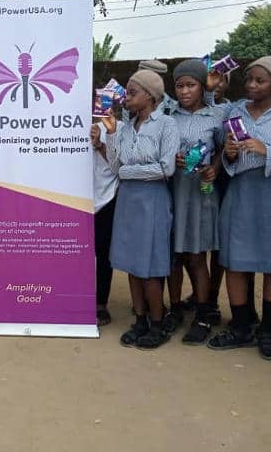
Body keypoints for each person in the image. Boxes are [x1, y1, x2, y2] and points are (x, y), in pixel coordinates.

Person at [207, 56, 271, 361]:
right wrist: (230, 154)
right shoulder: (235, 110)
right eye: (249, 79)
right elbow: (210, 110)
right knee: (235, 261)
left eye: (259, 80)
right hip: (241, 191)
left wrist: (269, 152)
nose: (251, 85)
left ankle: (266, 330)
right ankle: (240, 326)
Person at [101, 70, 179, 350]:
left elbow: (165, 168)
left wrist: (128, 171)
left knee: (150, 267)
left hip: (152, 202)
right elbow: (114, 167)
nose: (126, 96)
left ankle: (158, 324)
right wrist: (111, 134)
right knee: (133, 266)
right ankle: (141, 321)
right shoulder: (124, 127)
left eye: (133, 92)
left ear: (151, 96)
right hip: (128, 202)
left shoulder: (166, 125)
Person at [169, 59, 225, 345]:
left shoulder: (216, 118)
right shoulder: (169, 116)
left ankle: (204, 313)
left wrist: (214, 167)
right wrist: (172, 158)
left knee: (196, 255)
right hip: (175, 191)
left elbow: (225, 151)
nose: (184, 92)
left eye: (191, 85)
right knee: (175, 256)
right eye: (179, 86)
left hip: (202, 192)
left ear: (203, 87)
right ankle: (175, 308)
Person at [90, 112, 121, 326]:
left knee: (103, 254)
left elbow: (118, 166)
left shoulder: (116, 127)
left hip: (105, 198)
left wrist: (100, 144)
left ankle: (101, 303)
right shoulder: (58, 125)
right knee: (69, 252)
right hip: (70, 199)